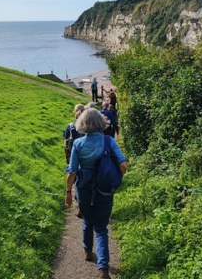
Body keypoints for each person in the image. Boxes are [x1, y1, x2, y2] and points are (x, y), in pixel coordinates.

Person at [65, 108, 128, 278]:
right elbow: (123, 165)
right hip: (105, 190)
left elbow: (72, 172)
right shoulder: (109, 141)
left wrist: (68, 192)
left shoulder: (78, 144)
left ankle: (87, 251)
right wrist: (115, 178)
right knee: (101, 228)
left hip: (84, 189)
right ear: (101, 122)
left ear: (83, 124)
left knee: (87, 220)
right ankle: (103, 269)